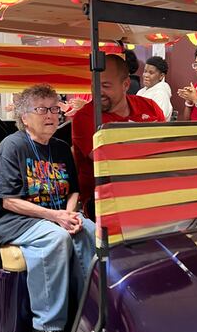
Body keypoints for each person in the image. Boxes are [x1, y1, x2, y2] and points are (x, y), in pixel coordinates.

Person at [0, 84, 95, 332]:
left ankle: (87, 313)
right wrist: (56, 217)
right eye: (42, 109)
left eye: (55, 109)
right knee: (55, 238)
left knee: (90, 230)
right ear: (25, 117)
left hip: (55, 213)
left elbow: (73, 190)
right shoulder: (13, 146)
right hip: (15, 218)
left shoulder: (60, 147)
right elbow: (8, 201)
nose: (51, 115)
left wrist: (69, 214)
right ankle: (47, 325)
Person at [71, 54, 166, 218]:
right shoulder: (85, 117)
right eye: (94, 85)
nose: (98, 92)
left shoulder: (149, 106)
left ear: (126, 85)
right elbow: (110, 163)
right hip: (103, 199)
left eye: (105, 86)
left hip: (150, 190)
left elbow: (165, 148)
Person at [136, 55, 173, 120]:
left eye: (151, 73)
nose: (146, 75)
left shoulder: (161, 94)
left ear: (161, 76)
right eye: (145, 71)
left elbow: (158, 119)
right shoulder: (140, 92)